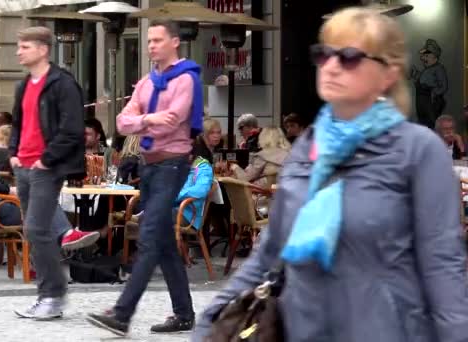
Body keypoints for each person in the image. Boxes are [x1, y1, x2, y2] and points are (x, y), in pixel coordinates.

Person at [193, 7, 468, 341]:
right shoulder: (309, 147)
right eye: (324, 54)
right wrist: (211, 320)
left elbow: (443, 268)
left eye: (349, 57)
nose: (332, 65)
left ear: (388, 74)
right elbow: (270, 252)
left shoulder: (419, 151)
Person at [87, 19, 203, 336]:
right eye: (149, 40)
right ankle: (184, 313)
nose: (151, 45)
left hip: (172, 164)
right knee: (163, 242)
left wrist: (142, 120)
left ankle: (122, 313)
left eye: (157, 40)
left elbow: (174, 119)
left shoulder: (186, 79)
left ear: (175, 42)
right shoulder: (146, 82)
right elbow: (122, 123)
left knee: (150, 237)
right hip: (148, 165)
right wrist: (149, 119)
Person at [9, 26, 86, 320]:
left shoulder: (62, 84)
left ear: (42, 50)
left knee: (37, 230)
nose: (19, 52)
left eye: (25, 46)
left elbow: (73, 129)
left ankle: (53, 295)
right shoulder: (23, 85)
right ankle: (48, 294)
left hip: (46, 168)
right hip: (24, 167)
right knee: (34, 231)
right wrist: (14, 153)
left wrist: (47, 158)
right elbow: (18, 122)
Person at [0, 119, 97, 246]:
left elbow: (2, 160)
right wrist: (8, 191)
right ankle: (65, 237)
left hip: (2, 203)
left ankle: (63, 239)